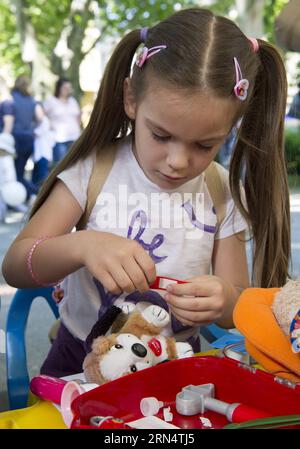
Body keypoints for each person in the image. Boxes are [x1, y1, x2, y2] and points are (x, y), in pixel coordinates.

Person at [1, 7, 291, 377]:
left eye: (204, 145)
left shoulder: (219, 190)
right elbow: (16, 265)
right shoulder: (94, 171)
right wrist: (84, 244)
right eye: (161, 135)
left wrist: (225, 301)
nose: (178, 162)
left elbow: (236, 301)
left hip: (176, 366)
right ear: (131, 99)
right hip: (80, 362)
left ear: (230, 128)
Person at [6, 75, 44, 202]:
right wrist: (32, 128)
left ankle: (37, 192)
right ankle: (29, 195)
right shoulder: (31, 100)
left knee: (16, 175)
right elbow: (40, 118)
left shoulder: (11, 98)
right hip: (28, 139)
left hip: (15, 139)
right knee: (19, 172)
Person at [43, 78, 81, 163]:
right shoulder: (51, 101)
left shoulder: (72, 101)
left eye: (69, 88)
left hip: (74, 137)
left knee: (73, 164)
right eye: (65, 88)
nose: (68, 90)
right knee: (60, 165)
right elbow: (42, 115)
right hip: (59, 139)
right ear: (59, 88)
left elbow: (78, 116)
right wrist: (49, 125)